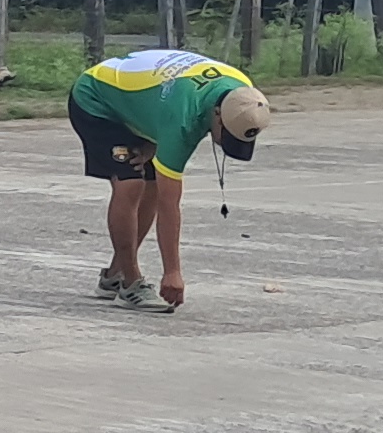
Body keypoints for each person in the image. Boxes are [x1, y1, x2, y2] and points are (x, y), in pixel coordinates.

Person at [68, 47, 268, 311]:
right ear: (217, 115)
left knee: (151, 184)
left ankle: (114, 274)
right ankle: (130, 283)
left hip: (148, 102)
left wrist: (154, 141)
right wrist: (172, 272)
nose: (223, 144)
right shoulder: (183, 119)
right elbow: (169, 204)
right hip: (97, 98)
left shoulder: (245, 94)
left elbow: (161, 107)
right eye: (226, 136)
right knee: (131, 182)